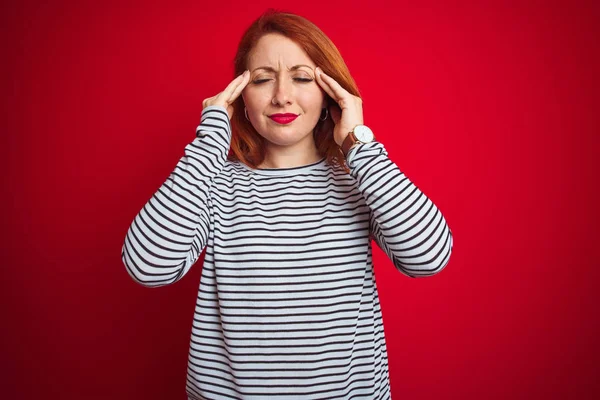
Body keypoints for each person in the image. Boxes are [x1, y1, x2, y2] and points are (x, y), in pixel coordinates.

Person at [121, 9, 453, 400]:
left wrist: (360, 146)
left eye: (301, 77)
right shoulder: (212, 184)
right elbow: (147, 267)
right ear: (240, 96)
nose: (281, 96)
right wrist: (209, 141)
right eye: (262, 79)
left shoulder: (360, 179)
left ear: (330, 92)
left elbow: (428, 258)